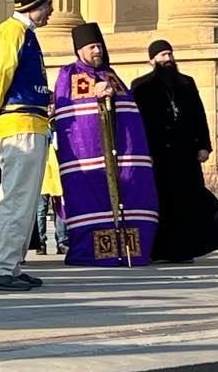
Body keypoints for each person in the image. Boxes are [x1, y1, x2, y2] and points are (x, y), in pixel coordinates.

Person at [53, 22, 158, 267]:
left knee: (134, 195)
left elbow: (129, 115)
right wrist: (95, 94)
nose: (97, 51)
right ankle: (94, 253)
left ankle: (131, 251)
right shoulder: (68, 74)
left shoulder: (113, 75)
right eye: (92, 47)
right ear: (79, 50)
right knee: (90, 199)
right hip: (87, 159)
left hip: (121, 157)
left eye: (99, 46)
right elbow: (70, 112)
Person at [132, 39, 218, 263]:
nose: (168, 59)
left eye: (170, 54)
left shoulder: (186, 83)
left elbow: (199, 115)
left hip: (185, 154)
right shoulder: (141, 86)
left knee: (189, 200)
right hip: (158, 155)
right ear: (151, 60)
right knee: (163, 202)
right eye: (162, 55)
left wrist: (204, 145)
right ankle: (161, 251)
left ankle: (185, 250)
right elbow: (138, 122)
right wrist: (143, 152)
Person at [0, 0, 53, 291]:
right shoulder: (11, 31)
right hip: (18, 125)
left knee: (24, 201)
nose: (51, 10)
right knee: (16, 201)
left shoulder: (27, 35)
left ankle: (11, 265)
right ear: (34, 5)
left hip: (32, 124)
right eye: (48, 4)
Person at [34, 133, 67, 255]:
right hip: (42, 172)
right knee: (40, 211)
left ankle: (62, 242)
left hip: (57, 172)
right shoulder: (42, 130)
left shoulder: (57, 130)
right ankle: (40, 243)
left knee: (60, 209)